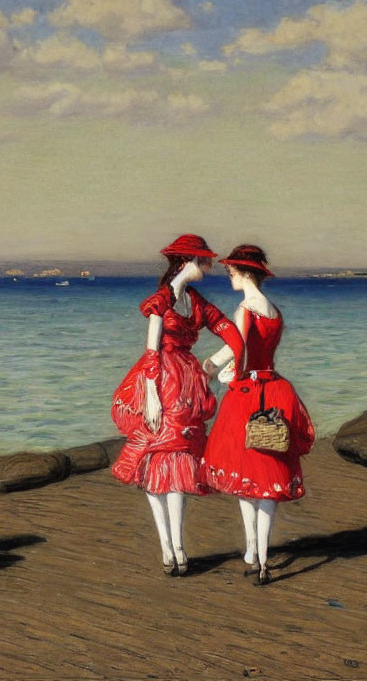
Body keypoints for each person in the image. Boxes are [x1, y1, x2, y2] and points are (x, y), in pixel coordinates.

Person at [111, 234, 245, 576]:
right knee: (155, 462)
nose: (207, 267)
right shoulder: (162, 300)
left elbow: (234, 336)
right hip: (157, 383)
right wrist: (153, 396)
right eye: (203, 261)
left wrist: (212, 366)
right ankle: (168, 548)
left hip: (184, 385)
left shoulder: (196, 301)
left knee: (177, 462)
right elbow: (152, 350)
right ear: (186, 262)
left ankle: (178, 547)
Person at [202, 244, 315, 585]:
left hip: (248, 395)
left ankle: (253, 549)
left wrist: (210, 367)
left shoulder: (244, 308)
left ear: (245, 273)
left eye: (232, 273)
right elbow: (261, 352)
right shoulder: (274, 310)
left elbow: (235, 350)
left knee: (244, 471)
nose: (230, 278)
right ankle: (259, 555)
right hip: (275, 390)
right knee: (267, 475)